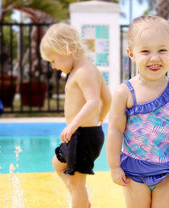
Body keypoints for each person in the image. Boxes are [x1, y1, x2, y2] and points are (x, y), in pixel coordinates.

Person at [106, 16, 169, 208]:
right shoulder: (125, 93)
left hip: (168, 170)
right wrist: (114, 166)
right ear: (131, 54)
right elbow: (115, 131)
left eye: (162, 50)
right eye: (145, 51)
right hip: (134, 171)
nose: (154, 58)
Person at [40, 23, 111, 208]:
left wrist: (73, 125)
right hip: (85, 134)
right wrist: (101, 120)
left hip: (82, 135)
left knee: (78, 184)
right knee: (58, 163)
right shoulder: (89, 69)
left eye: (53, 60)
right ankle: (82, 202)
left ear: (66, 49)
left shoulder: (83, 71)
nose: (53, 66)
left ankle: (80, 202)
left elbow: (93, 101)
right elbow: (108, 99)